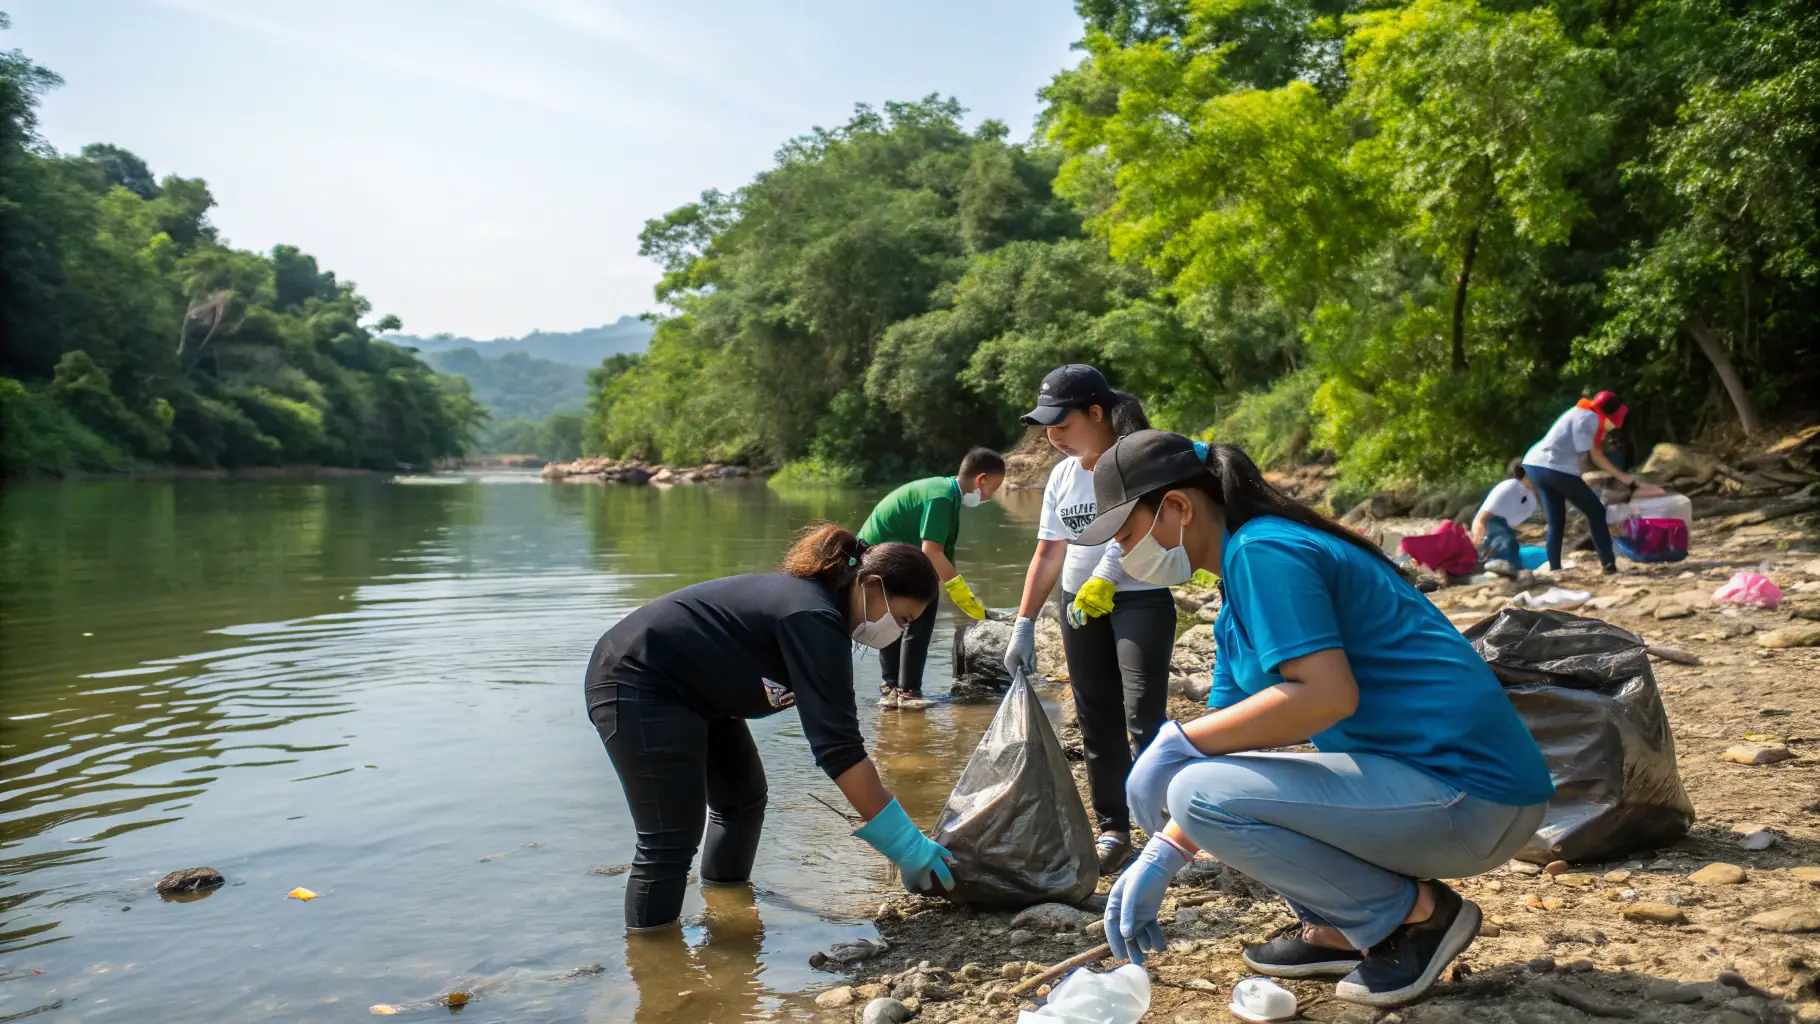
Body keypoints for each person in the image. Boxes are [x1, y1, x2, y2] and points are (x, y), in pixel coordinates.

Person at [1074, 431, 1553, 1008]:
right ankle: (1340, 929)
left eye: (1127, 535)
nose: (1123, 554)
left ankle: (1416, 917)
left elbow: (1327, 697)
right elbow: (1227, 740)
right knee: (1195, 786)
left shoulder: (1263, 551)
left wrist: (1177, 743)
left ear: (1177, 507)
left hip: (1472, 795)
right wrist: (1165, 851)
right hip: (1439, 790)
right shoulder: (1235, 601)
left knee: (1194, 786)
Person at [583, 524, 954, 932]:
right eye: (901, 618)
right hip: (637, 678)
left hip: (698, 693)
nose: (897, 631)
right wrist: (908, 846)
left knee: (742, 801)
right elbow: (840, 751)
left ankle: (728, 914)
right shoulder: (811, 616)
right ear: (871, 585)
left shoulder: (823, 618)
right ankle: (653, 960)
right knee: (669, 838)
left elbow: (837, 742)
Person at [1002, 364, 1174, 874]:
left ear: (1096, 413)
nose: (1053, 438)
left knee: (1143, 714)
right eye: (1047, 429)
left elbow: (1146, 527)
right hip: (1078, 605)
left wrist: (1107, 574)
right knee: (1095, 717)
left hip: (1141, 596)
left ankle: (1164, 832)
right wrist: (1024, 623)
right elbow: (1048, 553)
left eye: (1062, 425)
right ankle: (1113, 829)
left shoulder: (1137, 459)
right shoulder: (1061, 475)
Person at [858, 447, 1007, 710]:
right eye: (992, 490)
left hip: (879, 557)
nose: (990, 496)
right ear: (981, 480)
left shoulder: (946, 493)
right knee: (924, 608)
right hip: (879, 558)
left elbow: (943, 555)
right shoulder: (942, 498)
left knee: (896, 617)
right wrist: (962, 594)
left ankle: (891, 690)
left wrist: (954, 586)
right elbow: (931, 551)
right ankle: (908, 692)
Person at [1521, 391, 1661, 572]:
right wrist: (1626, 481)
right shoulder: (1590, 418)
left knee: (1556, 520)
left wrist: (1626, 481)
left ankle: (1555, 569)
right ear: (1611, 414)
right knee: (1596, 511)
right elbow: (1594, 456)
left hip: (1534, 464)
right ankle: (1608, 565)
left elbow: (1588, 453)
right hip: (1554, 468)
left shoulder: (1582, 412)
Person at [1470, 459, 1538, 571]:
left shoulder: (1530, 497)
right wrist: (1476, 546)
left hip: (1503, 532)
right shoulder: (1510, 486)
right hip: (1489, 532)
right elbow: (1480, 519)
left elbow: (1511, 523)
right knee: (1506, 542)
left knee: (1510, 543)